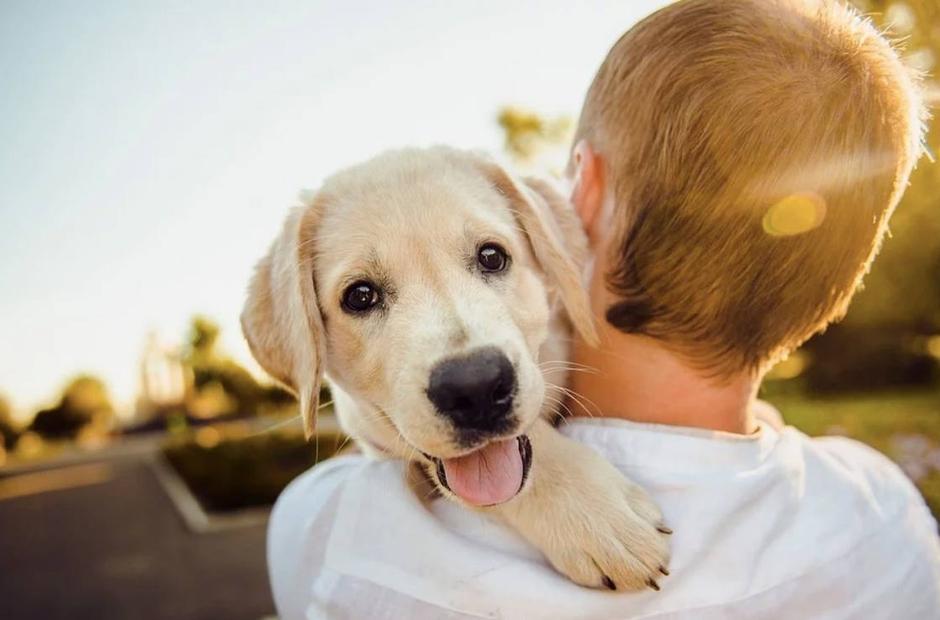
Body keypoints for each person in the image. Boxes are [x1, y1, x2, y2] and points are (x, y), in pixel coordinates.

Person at [267, 1, 940, 617]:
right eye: (364, 296)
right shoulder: (887, 519)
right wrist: (541, 473)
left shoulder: (337, 541)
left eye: (491, 258)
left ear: (581, 193)